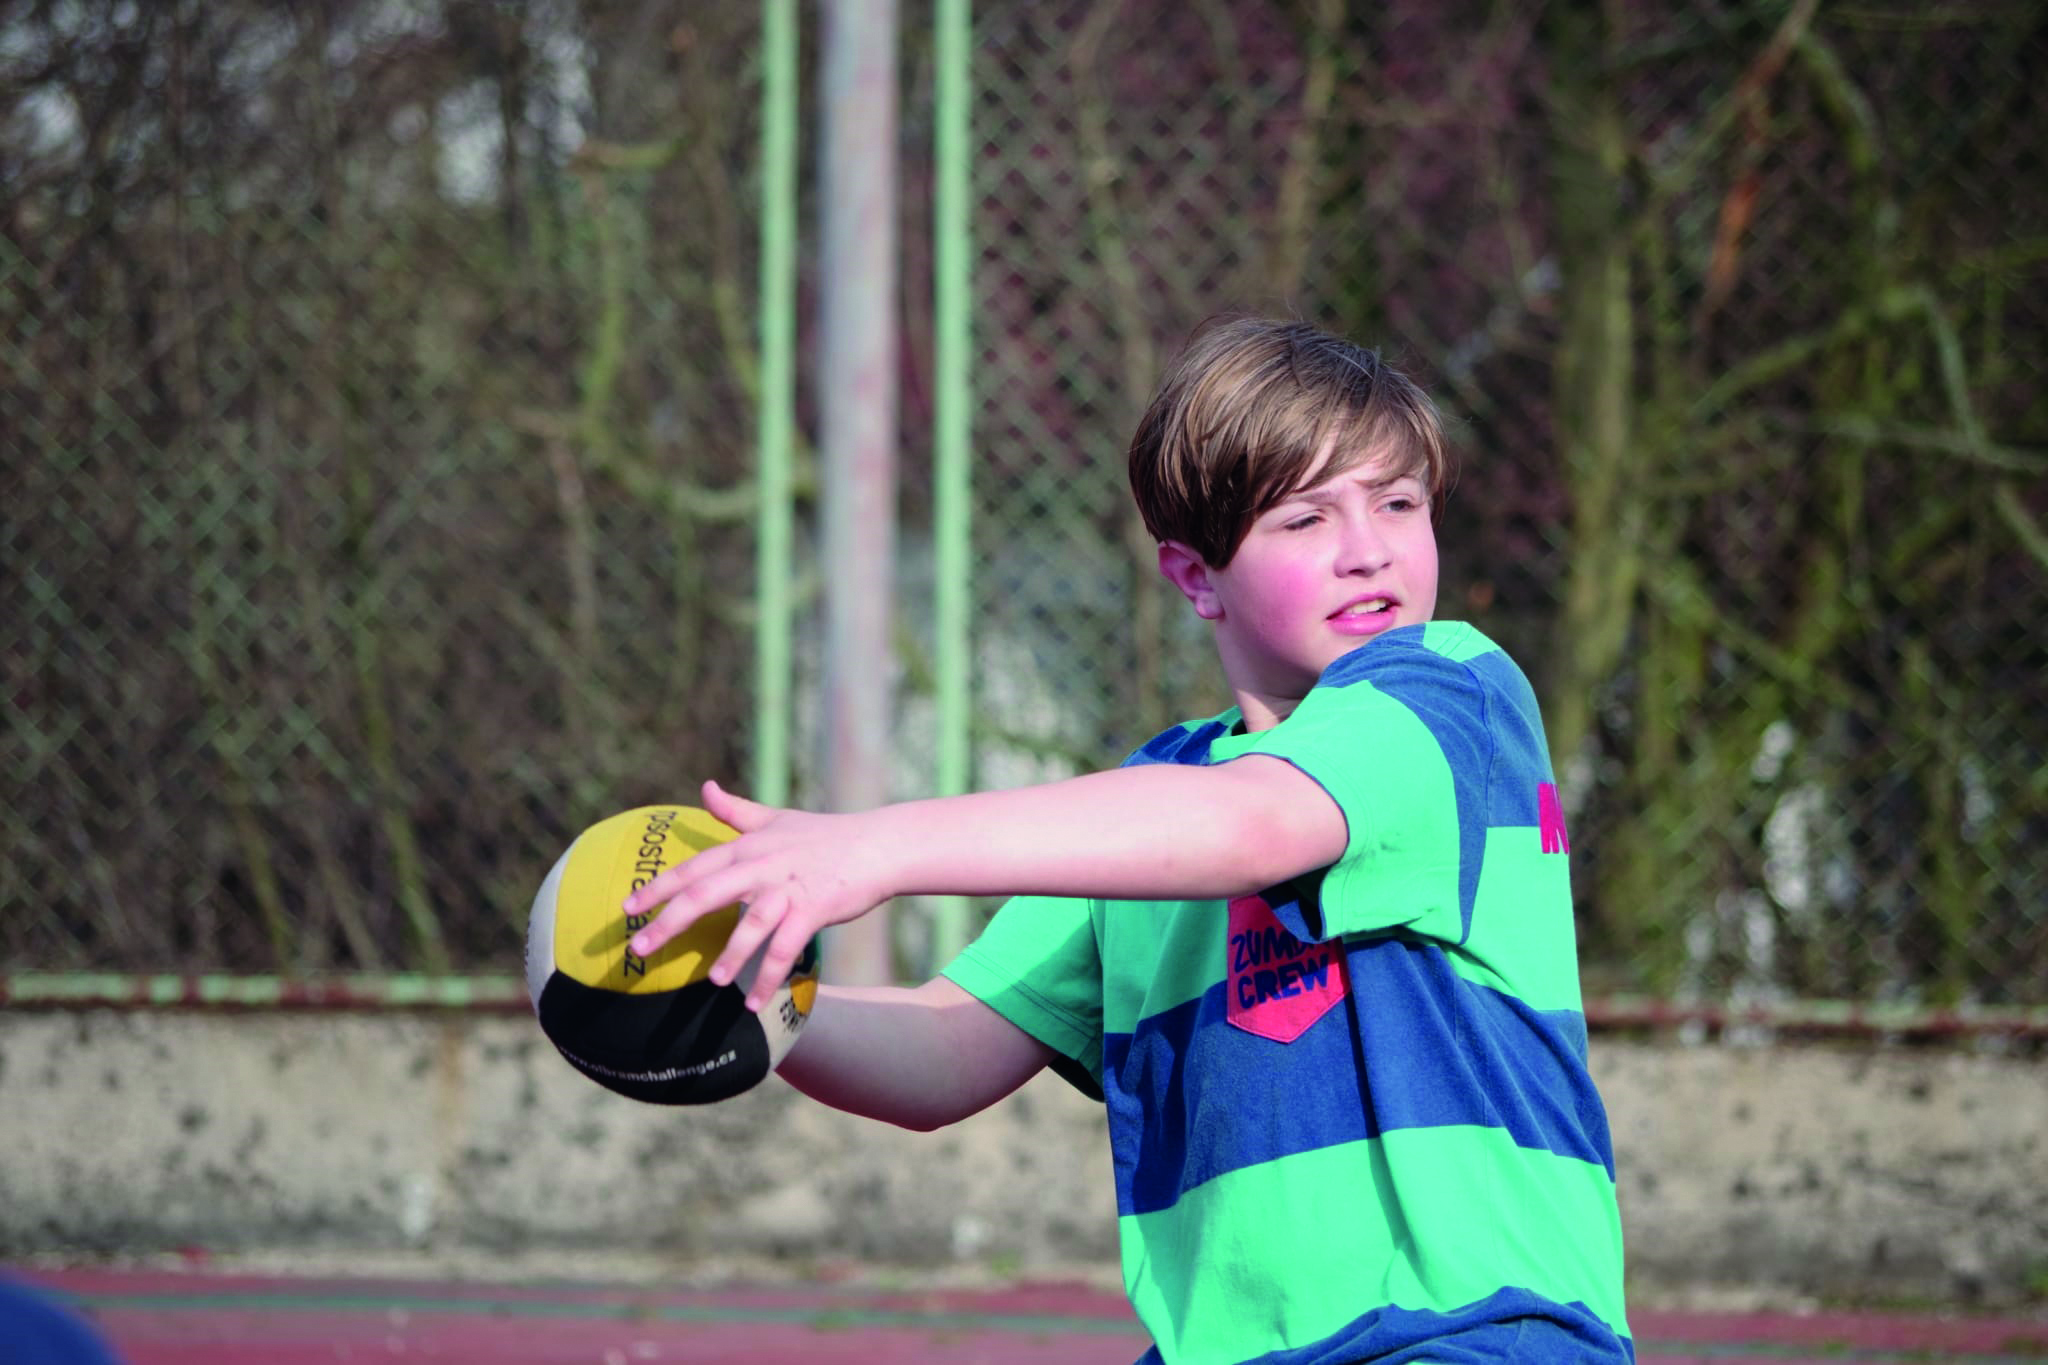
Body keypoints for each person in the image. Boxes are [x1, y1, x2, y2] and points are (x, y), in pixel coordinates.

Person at [625, 316, 1632, 1363]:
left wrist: (871, 848)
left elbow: (1253, 825)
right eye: (1304, 519)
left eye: (1395, 503)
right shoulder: (1150, 812)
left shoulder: (1448, 699)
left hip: (1468, 1337)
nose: (1366, 547)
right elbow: (945, 1049)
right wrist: (748, 1009)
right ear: (1196, 577)